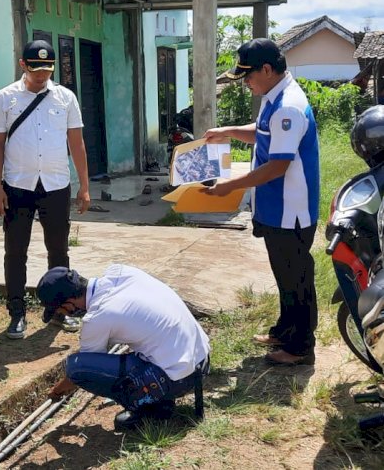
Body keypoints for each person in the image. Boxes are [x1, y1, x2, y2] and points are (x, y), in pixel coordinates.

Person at [201, 38, 320, 366]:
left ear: (267, 69)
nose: (246, 83)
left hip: (290, 211)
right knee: (284, 276)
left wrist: (230, 187)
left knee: (297, 280)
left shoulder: (288, 106)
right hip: (274, 208)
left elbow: (278, 165)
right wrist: (230, 130)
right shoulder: (274, 96)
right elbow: (263, 132)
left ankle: (300, 348)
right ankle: (284, 330)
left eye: (249, 76)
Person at [0, 39, 91, 339]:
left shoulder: (65, 98)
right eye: (35, 69)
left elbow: (77, 143)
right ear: (23, 65)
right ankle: (17, 312)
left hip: (56, 185)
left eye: (47, 69)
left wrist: (84, 186)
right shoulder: (4, 98)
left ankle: (60, 310)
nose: (41, 75)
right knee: (15, 251)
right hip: (17, 186)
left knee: (58, 251)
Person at [37, 265, 210, 430]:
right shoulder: (121, 272)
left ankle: (149, 407)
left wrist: (57, 391)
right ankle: (161, 398)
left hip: (178, 379)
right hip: (200, 359)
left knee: (76, 366)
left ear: (69, 304)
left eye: (60, 311)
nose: (63, 315)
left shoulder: (97, 317)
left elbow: (83, 370)